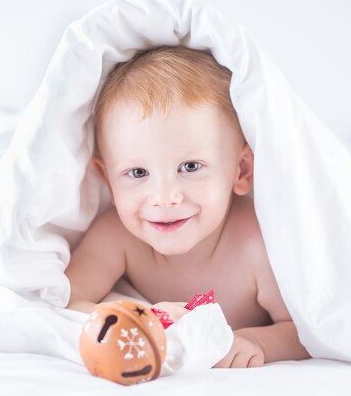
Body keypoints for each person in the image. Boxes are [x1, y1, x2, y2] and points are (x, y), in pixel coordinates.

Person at [64, 46, 311, 368]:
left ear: (242, 171)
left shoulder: (257, 244)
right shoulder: (116, 236)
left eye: (191, 167)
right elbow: (66, 300)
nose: (164, 197)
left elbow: (306, 329)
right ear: (108, 182)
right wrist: (141, 318)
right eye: (138, 173)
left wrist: (257, 341)